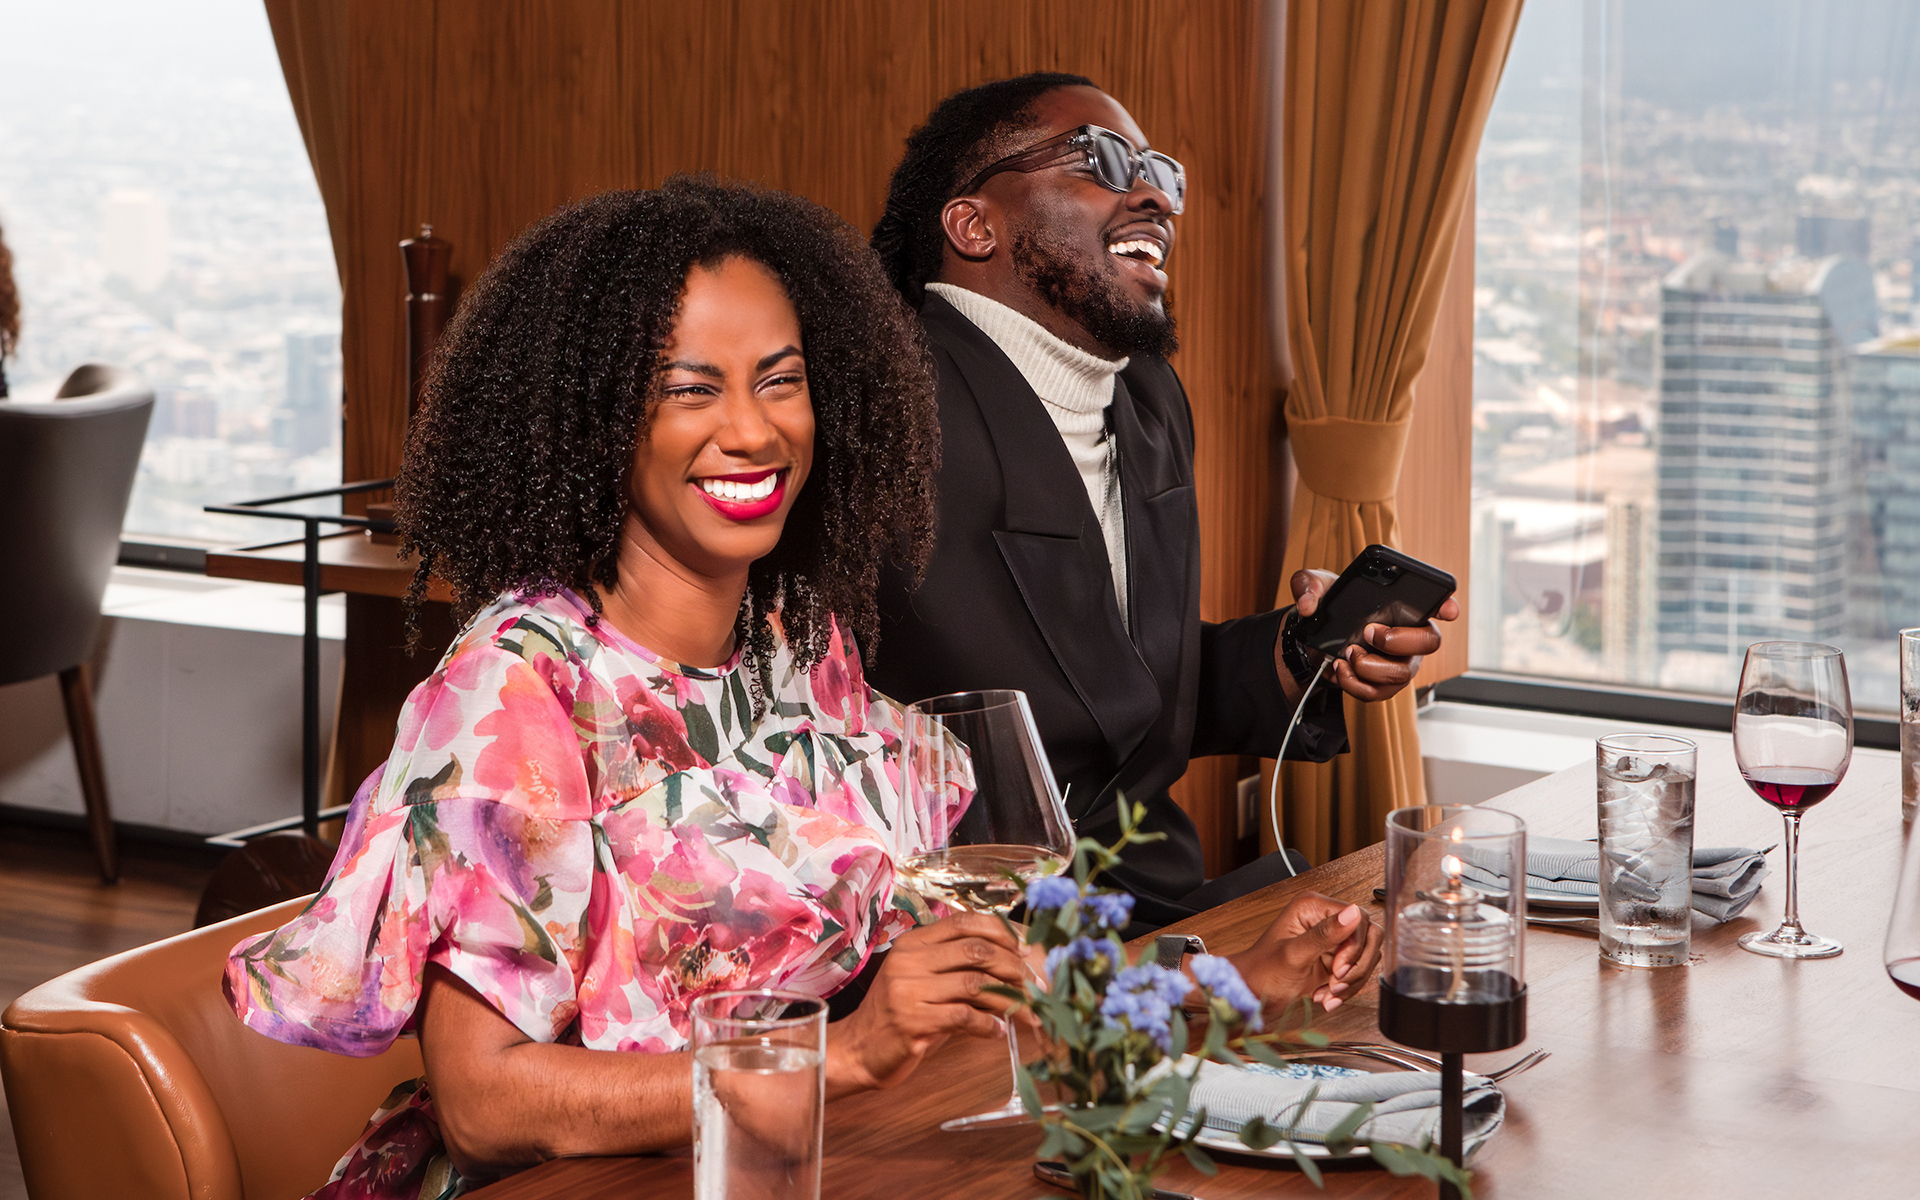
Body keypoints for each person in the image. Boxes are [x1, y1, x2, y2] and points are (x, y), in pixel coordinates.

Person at [223, 179, 1033, 1199]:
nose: (753, 431)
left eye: (781, 381)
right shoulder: (517, 687)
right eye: (692, 390)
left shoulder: (795, 634)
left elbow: (885, 912)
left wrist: (1109, 983)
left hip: (751, 1161)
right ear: (596, 420)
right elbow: (483, 1108)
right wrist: (839, 1055)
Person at [868, 75, 1461, 936]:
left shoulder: (1147, 400)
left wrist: (1307, 650)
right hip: (963, 932)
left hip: (1153, 906)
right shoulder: (877, 407)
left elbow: (1125, 694)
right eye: (1105, 160)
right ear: (974, 225)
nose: (1156, 197)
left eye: (1159, 172)